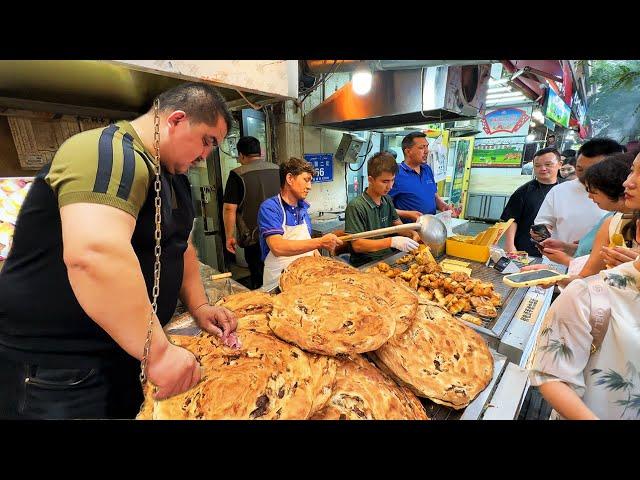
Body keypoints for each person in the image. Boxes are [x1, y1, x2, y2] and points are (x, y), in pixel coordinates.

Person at [0, 82, 239, 419]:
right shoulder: (106, 152)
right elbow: (94, 254)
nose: (205, 157)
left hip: (122, 353)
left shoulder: (173, 178)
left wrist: (199, 305)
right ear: (176, 120)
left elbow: (179, 247)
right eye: (206, 142)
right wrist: (159, 354)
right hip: (62, 368)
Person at [528, 153, 640, 419]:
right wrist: (561, 271)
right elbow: (549, 375)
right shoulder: (589, 294)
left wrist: (563, 264)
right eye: (631, 171)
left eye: (594, 192)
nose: (629, 182)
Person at [257, 157, 342, 289]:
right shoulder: (270, 208)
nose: (309, 187)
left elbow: (309, 247)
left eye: (311, 181)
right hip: (277, 284)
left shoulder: (303, 209)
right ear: (290, 179)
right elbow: (277, 247)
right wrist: (320, 242)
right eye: (306, 180)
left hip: (303, 283)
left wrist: (322, 266)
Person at [539, 153, 635, 267]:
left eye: (593, 191)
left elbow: (595, 269)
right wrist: (565, 247)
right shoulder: (612, 218)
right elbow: (589, 251)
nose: (589, 197)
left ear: (611, 189)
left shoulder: (616, 222)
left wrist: (565, 259)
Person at [532, 138, 625, 245]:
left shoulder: (625, 195)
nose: (584, 175)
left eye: (592, 170)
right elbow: (543, 222)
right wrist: (541, 233)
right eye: (579, 169)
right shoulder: (559, 190)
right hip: (558, 257)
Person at [344, 152, 421, 267]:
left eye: (392, 180)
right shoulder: (356, 207)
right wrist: (392, 242)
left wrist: (412, 234)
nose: (390, 186)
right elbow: (357, 245)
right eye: (385, 181)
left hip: (387, 258)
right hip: (366, 264)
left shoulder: (386, 200)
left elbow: (399, 226)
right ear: (370, 179)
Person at [222, 136, 280, 289]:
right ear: (260, 152)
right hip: (279, 233)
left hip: (253, 237)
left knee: (259, 277)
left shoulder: (237, 174)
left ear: (241, 155)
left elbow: (229, 208)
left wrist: (229, 236)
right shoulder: (277, 169)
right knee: (280, 273)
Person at [501, 147, 561, 257]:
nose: (543, 168)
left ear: (560, 164)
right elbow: (511, 219)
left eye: (548, 164)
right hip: (526, 249)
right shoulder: (524, 191)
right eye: (537, 165)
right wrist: (509, 245)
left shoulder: (566, 189)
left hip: (558, 249)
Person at [388, 131, 454, 223]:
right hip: (408, 231)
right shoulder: (396, 174)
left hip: (430, 228)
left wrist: (444, 206)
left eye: (427, 146)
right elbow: (385, 208)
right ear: (408, 151)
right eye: (421, 148)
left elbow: (434, 196)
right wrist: (408, 214)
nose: (426, 151)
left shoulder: (427, 169)